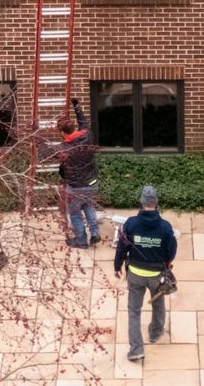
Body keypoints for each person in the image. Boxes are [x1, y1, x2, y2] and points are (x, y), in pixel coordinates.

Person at [114, 184, 176, 362]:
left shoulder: (131, 223)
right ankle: (155, 332)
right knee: (158, 304)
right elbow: (171, 251)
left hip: (135, 274)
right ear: (156, 203)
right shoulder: (165, 227)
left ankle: (136, 349)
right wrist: (166, 263)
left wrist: (117, 267)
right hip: (157, 276)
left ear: (142, 202)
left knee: (134, 311)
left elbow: (121, 247)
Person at [55, 111, 100, 248]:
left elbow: (47, 153)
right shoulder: (87, 137)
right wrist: (78, 108)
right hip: (92, 183)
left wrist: (38, 139)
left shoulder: (64, 148)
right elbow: (84, 124)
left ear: (62, 132)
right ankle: (94, 233)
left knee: (74, 213)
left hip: (75, 187)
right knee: (88, 205)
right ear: (74, 128)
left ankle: (81, 241)